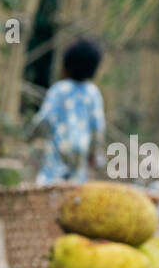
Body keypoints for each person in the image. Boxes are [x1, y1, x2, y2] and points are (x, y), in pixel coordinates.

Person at [29, 38, 106, 184]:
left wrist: (31, 135)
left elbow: (43, 119)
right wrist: (94, 155)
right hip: (80, 157)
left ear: (67, 65)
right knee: (75, 194)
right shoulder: (93, 93)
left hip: (56, 156)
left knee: (50, 189)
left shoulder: (59, 89)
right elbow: (98, 129)